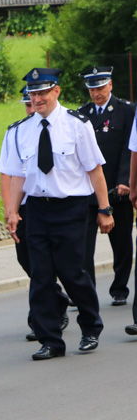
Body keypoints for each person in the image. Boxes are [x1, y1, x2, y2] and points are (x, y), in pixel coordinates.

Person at [3, 67, 112, 360]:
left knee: (73, 272)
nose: (36, 99)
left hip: (71, 208)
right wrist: (12, 211)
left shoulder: (78, 125)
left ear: (56, 91)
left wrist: (104, 209)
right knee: (41, 276)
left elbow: (94, 170)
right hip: (36, 209)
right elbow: (16, 176)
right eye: (32, 94)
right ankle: (50, 339)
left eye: (42, 92)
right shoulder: (19, 132)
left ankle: (90, 327)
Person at [0, 87, 70, 342]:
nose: (31, 108)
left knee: (46, 268)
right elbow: (7, 173)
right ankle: (57, 300)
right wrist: (10, 210)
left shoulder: (62, 126)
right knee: (28, 262)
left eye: (34, 103)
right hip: (25, 208)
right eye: (27, 104)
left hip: (51, 205)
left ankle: (42, 319)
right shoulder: (17, 132)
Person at [77, 67, 136, 306]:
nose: (96, 93)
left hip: (117, 188)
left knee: (121, 243)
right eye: (92, 89)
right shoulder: (82, 114)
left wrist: (126, 181)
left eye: (100, 87)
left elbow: (129, 149)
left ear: (110, 85)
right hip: (89, 191)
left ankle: (119, 288)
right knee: (82, 246)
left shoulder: (127, 111)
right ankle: (85, 290)